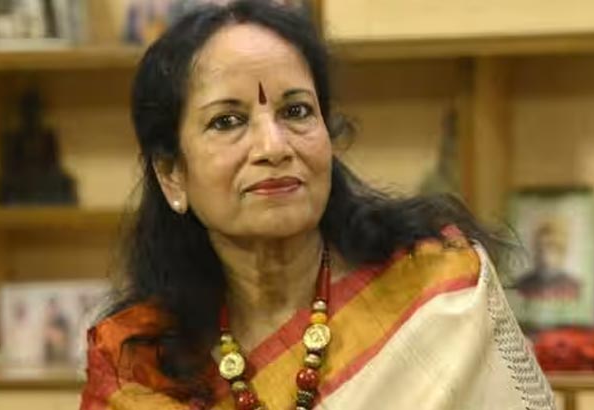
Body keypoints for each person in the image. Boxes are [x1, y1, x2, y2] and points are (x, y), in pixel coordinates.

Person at [79, 1, 553, 409]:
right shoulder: (140, 368)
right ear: (171, 174)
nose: (273, 146)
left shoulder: (438, 290)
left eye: (296, 111)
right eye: (227, 121)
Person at [516, 219, 581, 300]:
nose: (545, 254)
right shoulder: (525, 283)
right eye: (541, 247)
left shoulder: (572, 285)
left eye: (551, 246)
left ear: (562, 249)